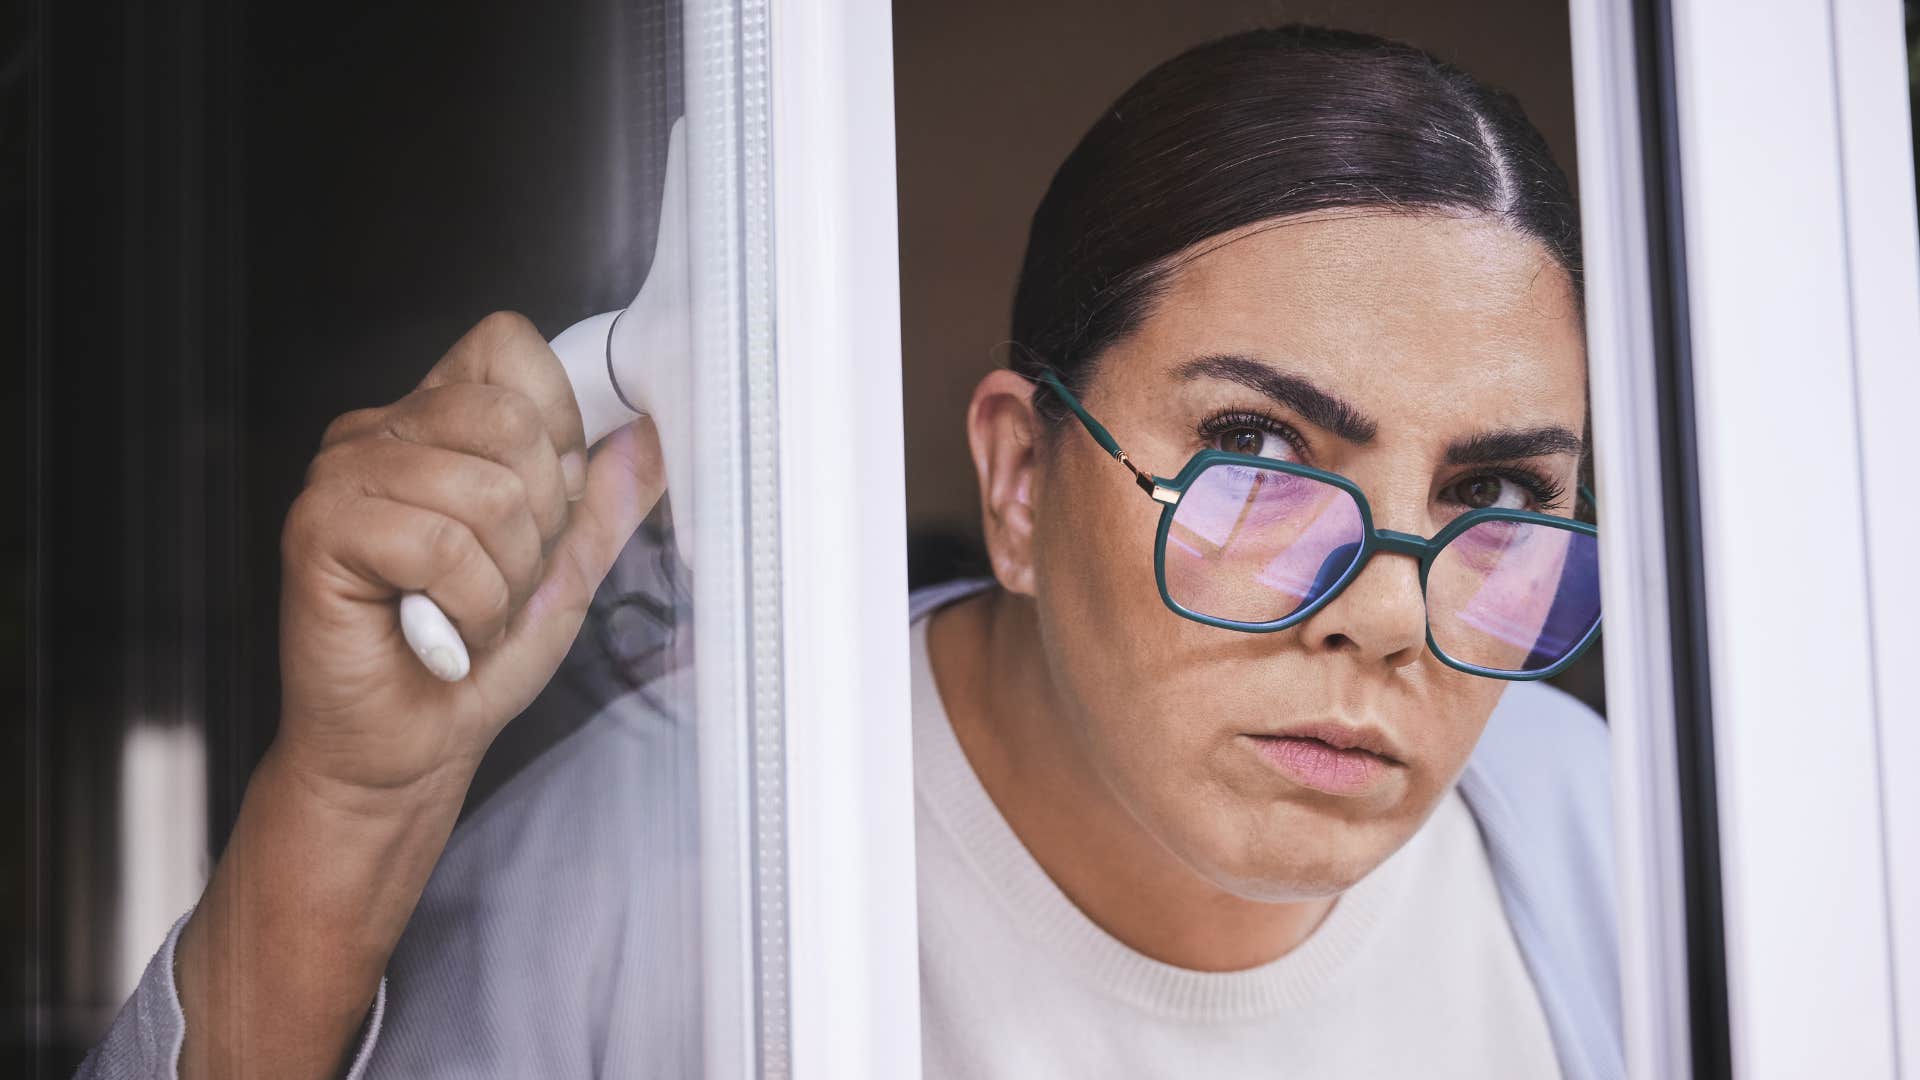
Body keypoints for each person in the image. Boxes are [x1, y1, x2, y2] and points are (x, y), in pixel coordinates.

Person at [81, 25, 1617, 1079]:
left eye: (1494, 492)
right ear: (1019, 477)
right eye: (1260, 455)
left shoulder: (1593, 838)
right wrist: (347, 811)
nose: (1395, 615)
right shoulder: (669, 855)